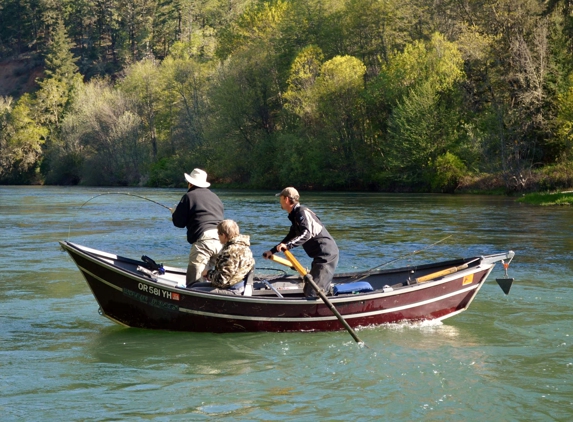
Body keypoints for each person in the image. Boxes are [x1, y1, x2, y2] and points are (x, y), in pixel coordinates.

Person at [263, 187, 339, 298]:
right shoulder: (295, 216)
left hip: (326, 255)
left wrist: (288, 246)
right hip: (320, 256)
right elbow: (290, 236)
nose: (279, 200)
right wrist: (272, 251)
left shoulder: (301, 212)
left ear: (287, 199)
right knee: (310, 287)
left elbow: (306, 234)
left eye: (281, 198)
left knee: (312, 292)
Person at [171, 168, 224, 287]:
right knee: (215, 278)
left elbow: (179, 223)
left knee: (194, 282)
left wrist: (175, 213)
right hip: (221, 240)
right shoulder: (216, 197)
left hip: (204, 241)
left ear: (190, 183)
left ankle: (192, 301)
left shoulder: (189, 196)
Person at [192, 220, 255, 295]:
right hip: (238, 286)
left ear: (224, 235)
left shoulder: (230, 252)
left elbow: (222, 280)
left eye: (219, 234)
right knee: (194, 286)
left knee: (191, 290)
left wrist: (208, 273)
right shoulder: (244, 247)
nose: (218, 237)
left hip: (232, 289)